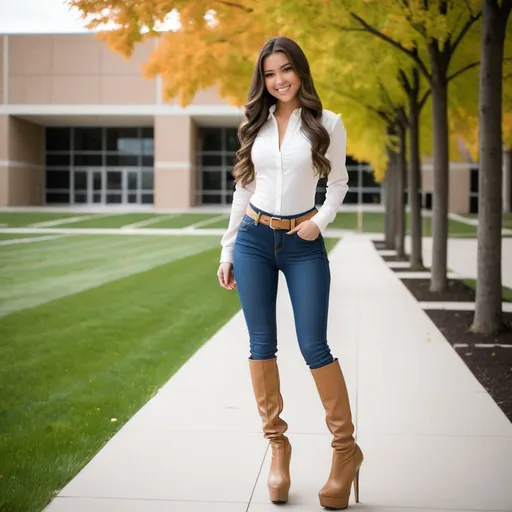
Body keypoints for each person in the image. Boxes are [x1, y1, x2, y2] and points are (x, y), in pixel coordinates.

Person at [216, 36, 363, 510]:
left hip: (303, 245)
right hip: (255, 240)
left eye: (285, 70)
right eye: (269, 73)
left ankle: (346, 452)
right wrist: (229, 247)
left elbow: (338, 183)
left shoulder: (328, 123)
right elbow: (244, 186)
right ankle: (278, 447)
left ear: (300, 70)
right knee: (261, 345)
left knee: (313, 345)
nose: (278, 80)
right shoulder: (254, 123)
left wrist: (317, 222)